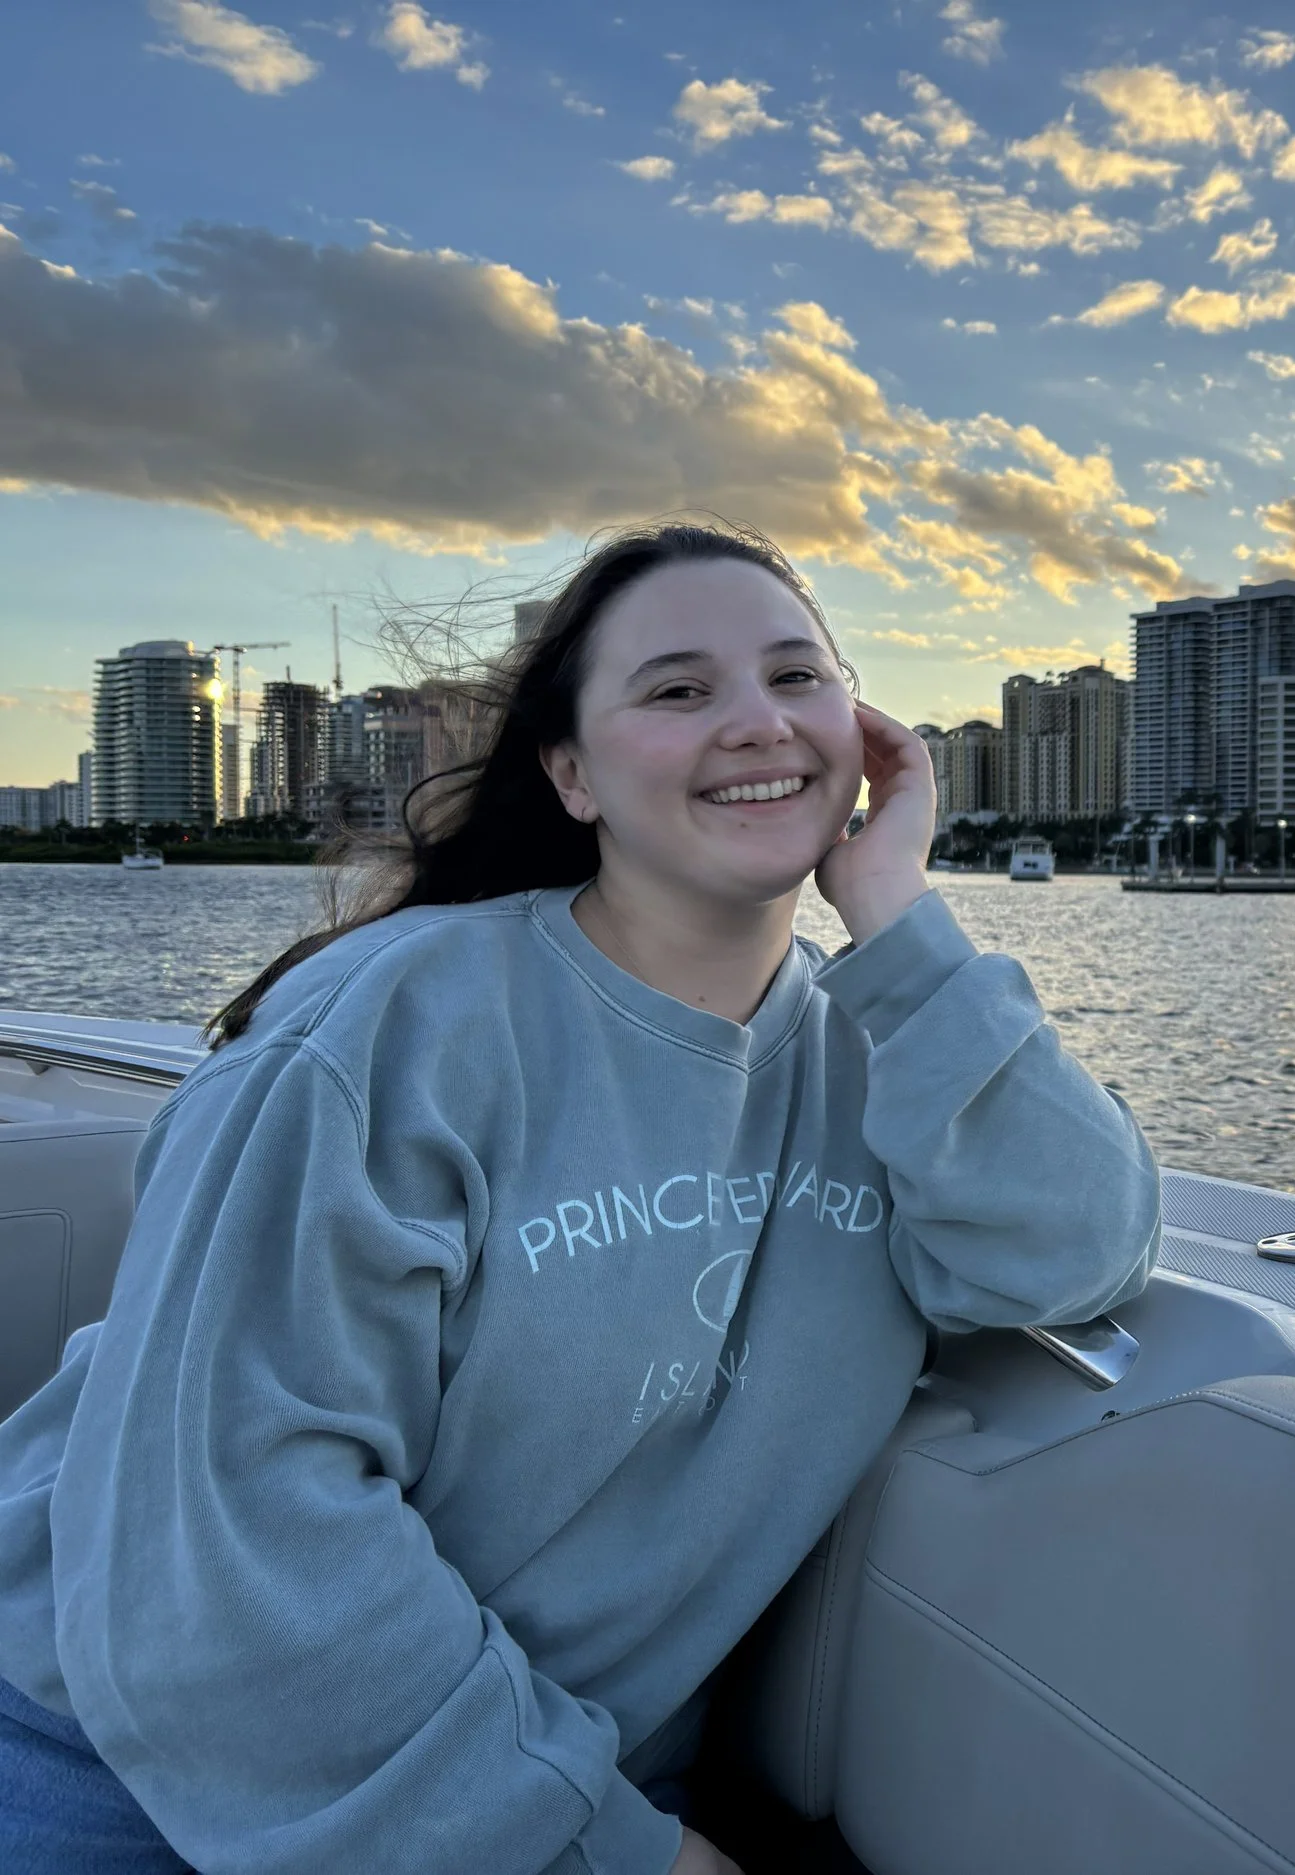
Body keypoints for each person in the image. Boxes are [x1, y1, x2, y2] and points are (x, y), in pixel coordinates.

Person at [0, 522, 1161, 1874]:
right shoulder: (391, 1027)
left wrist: (894, 910)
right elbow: (225, 1543)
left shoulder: (890, 1059)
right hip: (117, 1757)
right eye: (677, 690)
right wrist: (605, 1846)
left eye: (799, 679)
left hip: (526, 1785)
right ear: (573, 771)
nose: (755, 722)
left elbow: (1075, 1250)